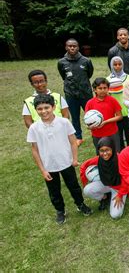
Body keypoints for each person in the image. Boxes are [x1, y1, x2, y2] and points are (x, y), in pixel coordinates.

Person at [26, 94, 92, 224]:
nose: (44, 111)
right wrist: (43, 170)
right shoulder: (34, 128)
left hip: (66, 163)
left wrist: (74, 159)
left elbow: (73, 142)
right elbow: (35, 150)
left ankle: (80, 204)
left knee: (74, 186)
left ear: (54, 107)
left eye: (46, 107)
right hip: (49, 166)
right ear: (36, 110)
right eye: (40, 109)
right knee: (54, 191)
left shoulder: (64, 122)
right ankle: (60, 210)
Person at [79, 137, 128, 219]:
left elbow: (127, 180)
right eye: (102, 151)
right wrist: (84, 182)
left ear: (112, 148)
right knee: (87, 190)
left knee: (115, 215)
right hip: (106, 184)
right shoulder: (99, 159)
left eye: (107, 150)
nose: (105, 153)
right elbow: (84, 166)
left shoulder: (120, 159)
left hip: (119, 188)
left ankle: (122, 195)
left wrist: (120, 195)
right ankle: (104, 197)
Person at [57, 38, 94, 146]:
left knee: (91, 114)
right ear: (66, 47)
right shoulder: (61, 62)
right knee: (75, 116)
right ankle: (78, 137)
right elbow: (63, 76)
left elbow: (89, 74)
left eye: (74, 46)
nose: (72, 48)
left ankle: (95, 133)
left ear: (78, 47)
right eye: (70, 46)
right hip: (71, 94)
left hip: (85, 93)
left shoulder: (86, 61)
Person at [85, 78, 123, 153]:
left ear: (108, 89)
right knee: (102, 155)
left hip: (112, 133)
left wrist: (105, 122)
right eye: (100, 88)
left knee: (116, 153)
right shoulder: (90, 103)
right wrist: (90, 126)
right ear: (95, 90)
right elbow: (87, 122)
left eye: (105, 88)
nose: (103, 90)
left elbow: (120, 116)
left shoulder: (112, 100)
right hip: (97, 135)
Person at [106, 56, 129, 149]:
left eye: (119, 64)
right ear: (111, 65)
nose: (117, 66)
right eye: (115, 64)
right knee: (118, 136)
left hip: (128, 112)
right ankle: (121, 154)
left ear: (123, 65)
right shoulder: (107, 80)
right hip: (116, 114)